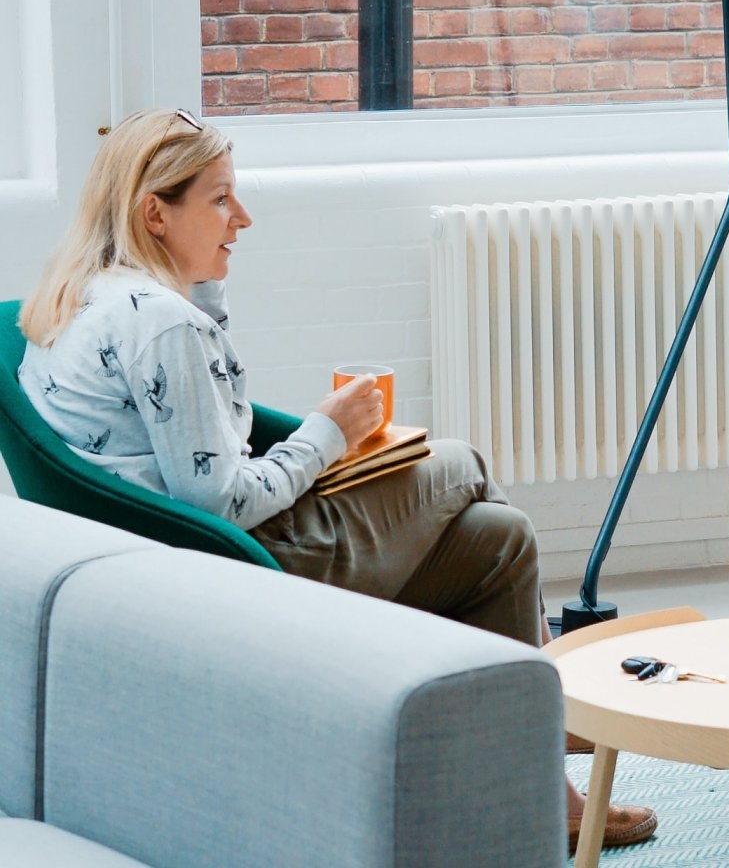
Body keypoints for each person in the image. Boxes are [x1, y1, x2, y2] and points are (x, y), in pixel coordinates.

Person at [17, 108, 657, 853]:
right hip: (245, 566)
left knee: (500, 539)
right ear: (155, 212)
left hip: (165, 568)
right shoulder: (165, 325)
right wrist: (329, 432)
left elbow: (201, 442)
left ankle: (546, 787)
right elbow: (218, 499)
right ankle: (558, 710)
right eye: (221, 198)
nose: (243, 217)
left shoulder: (94, 296)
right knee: (462, 462)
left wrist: (212, 300)